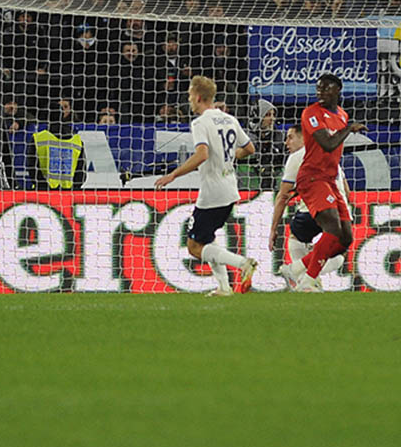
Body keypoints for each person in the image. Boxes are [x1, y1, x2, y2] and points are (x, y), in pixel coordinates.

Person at [154, 76, 257, 297]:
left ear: (199, 97)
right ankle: (224, 287)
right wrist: (228, 158)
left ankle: (243, 264)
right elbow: (250, 149)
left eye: (191, 95)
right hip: (230, 188)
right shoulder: (229, 119)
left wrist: (173, 175)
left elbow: (202, 154)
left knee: (194, 247)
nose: (189, 99)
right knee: (207, 238)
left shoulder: (200, 123)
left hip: (212, 192)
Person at [277, 74, 366, 292]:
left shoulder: (342, 115)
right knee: (332, 229)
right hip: (312, 177)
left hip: (330, 179)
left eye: (326, 88)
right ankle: (307, 281)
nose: (320, 91)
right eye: (318, 88)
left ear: (337, 90)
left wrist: (346, 126)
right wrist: (349, 129)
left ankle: (296, 268)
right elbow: (327, 143)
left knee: (345, 238)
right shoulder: (311, 113)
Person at [269, 125, 350, 290]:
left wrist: (273, 229)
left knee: (295, 237)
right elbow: (346, 190)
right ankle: (308, 277)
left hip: (313, 211)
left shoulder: (298, 156)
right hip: (339, 210)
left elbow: (282, 196)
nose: (286, 142)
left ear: (303, 138)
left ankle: (299, 275)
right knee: (337, 251)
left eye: (290, 137)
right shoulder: (329, 154)